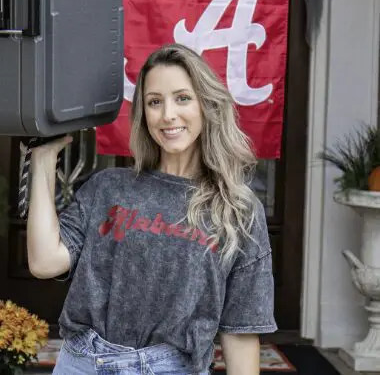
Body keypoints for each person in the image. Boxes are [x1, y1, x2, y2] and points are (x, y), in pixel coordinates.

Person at [27, 43, 277, 374]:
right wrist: (43, 161)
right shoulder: (109, 187)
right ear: (143, 114)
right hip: (85, 363)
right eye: (154, 102)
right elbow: (44, 261)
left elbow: (241, 330)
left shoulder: (237, 210)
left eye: (182, 98)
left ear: (207, 104)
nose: (168, 114)